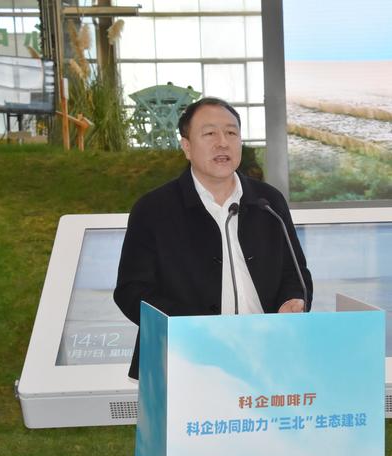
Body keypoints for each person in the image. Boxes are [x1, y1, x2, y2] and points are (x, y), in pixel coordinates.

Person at [114, 97, 313, 380]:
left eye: (231, 133)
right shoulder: (154, 209)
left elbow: (296, 272)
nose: (223, 143)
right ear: (186, 147)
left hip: (268, 354)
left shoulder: (268, 201)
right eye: (209, 134)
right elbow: (131, 292)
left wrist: (292, 300)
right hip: (185, 358)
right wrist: (196, 329)